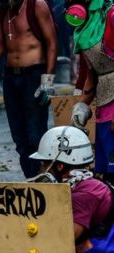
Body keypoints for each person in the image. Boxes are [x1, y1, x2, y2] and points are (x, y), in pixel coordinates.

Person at [0, 0, 57, 179]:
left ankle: (43, 177)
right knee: (19, 137)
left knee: (35, 135)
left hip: (33, 75)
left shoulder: (36, 5)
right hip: (11, 78)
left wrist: (48, 82)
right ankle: (31, 179)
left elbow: (51, 42)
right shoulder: (0, 9)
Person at [68, 0, 114, 183]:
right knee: (106, 176)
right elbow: (92, 73)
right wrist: (81, 107)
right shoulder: (85, 24)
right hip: (103, 110)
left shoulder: (111, 16)